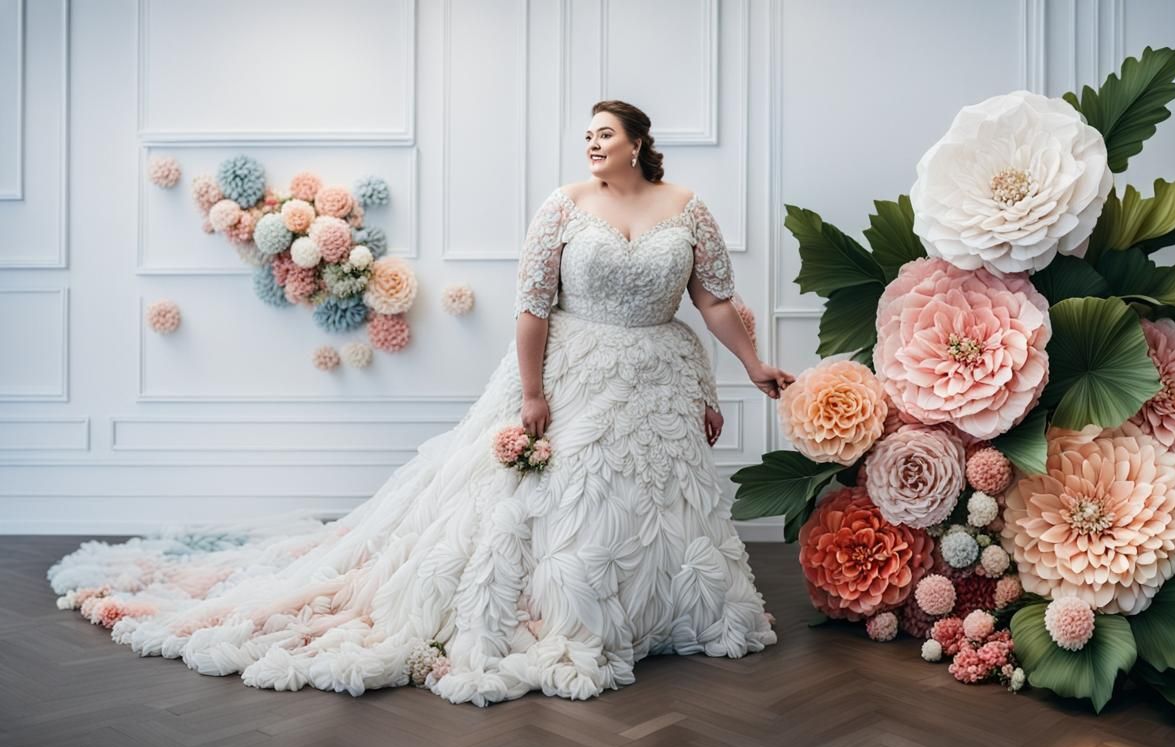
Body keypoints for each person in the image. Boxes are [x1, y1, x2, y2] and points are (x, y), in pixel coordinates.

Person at [46, 100, 796, 707]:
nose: (592, 145)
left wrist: (753, 363)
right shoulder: (564, 206)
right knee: (562, 502)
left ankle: (653, 619)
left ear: (638, 142)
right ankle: (562, 620)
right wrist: (533, 394)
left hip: (658, 375)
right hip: (576, 366)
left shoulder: (688, 209)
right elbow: (532, 306)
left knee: (651, 503)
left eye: (605, 134)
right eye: (587, 136)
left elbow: (714, 301)